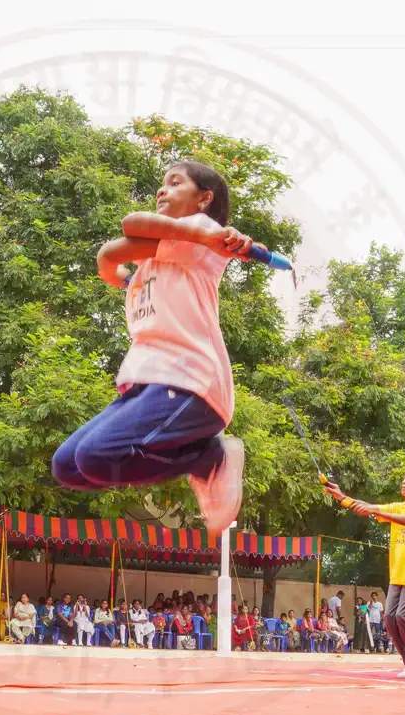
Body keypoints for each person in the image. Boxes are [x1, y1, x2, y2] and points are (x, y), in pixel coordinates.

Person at [52, 162, 261, 532]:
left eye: (175, 183)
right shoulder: (184, 241)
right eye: (162, 185)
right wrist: (111, 264)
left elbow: (131, 227)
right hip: (145, 380)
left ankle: (209, 460)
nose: (162, 191)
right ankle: (199, 457)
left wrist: (207, 239)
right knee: (67, 465)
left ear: (204, 199)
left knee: (96, 456)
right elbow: (111, 250)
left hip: (189, 381)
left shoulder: (206, 231)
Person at [325, 470, 405, 679]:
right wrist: (343, 498)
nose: (404, 482)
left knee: (404, 617)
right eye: (404, 479)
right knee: (389, 618)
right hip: (397, 574)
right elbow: (369, 507)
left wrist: (376, 512)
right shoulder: (398, 506)